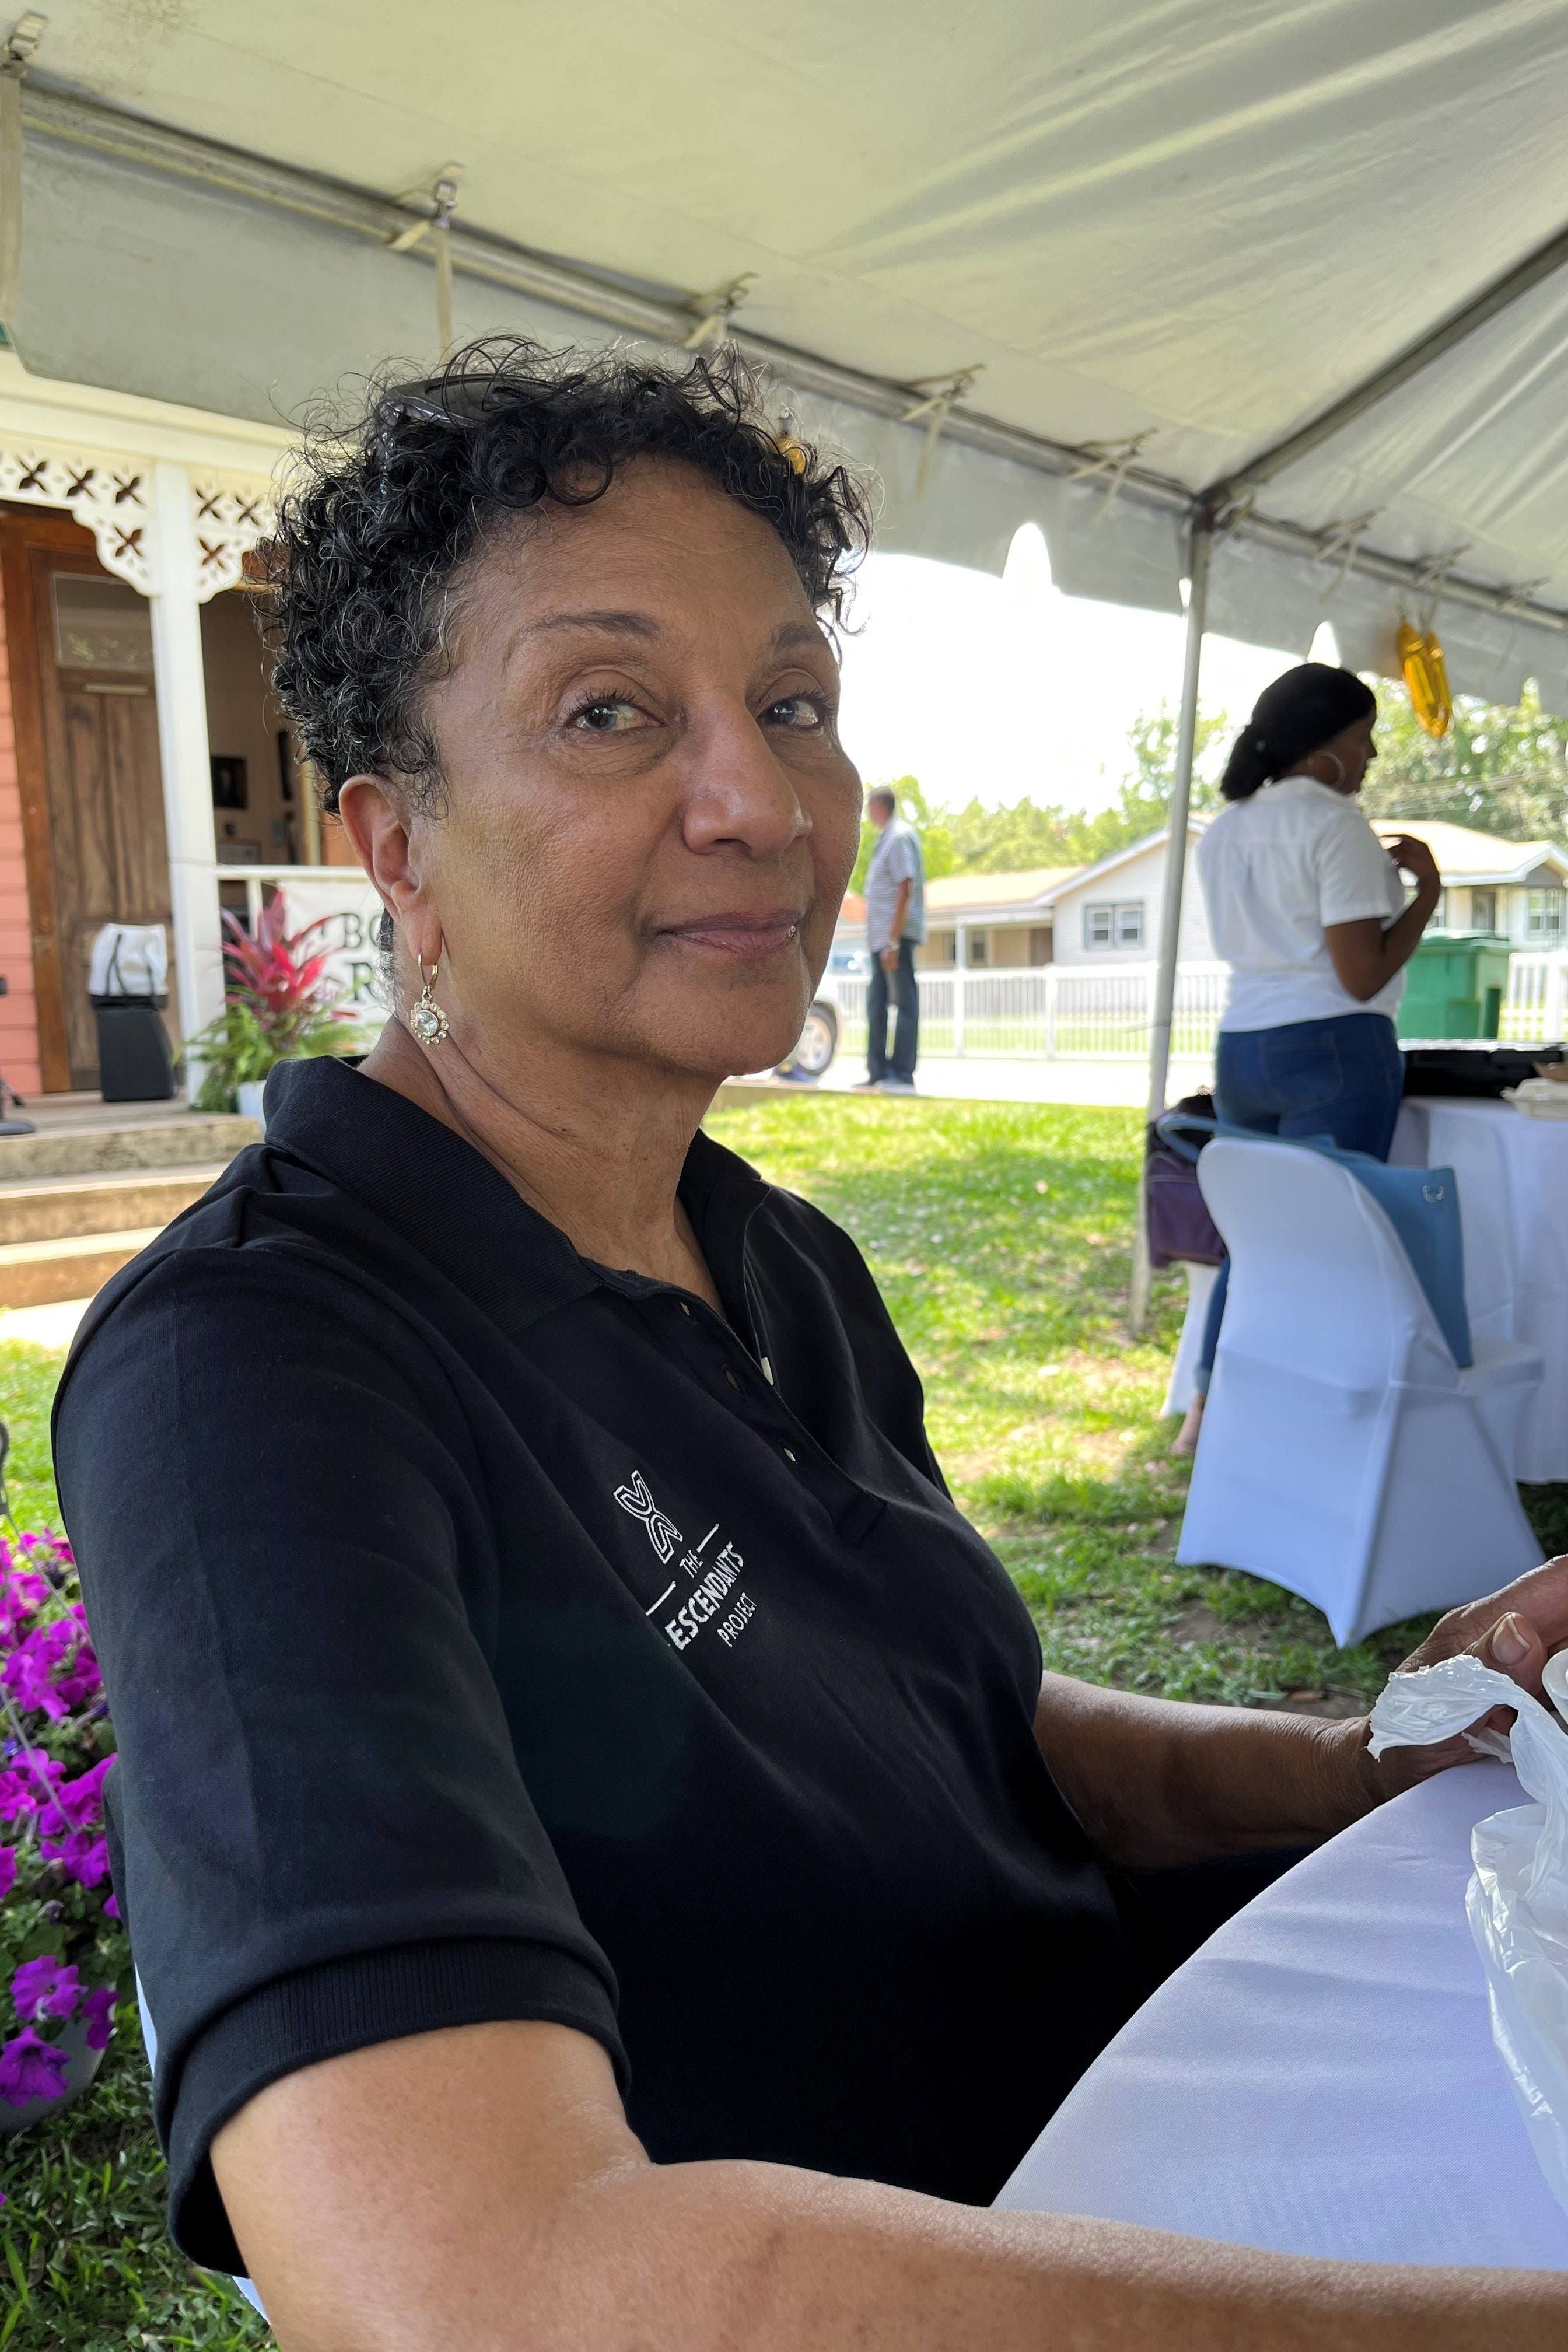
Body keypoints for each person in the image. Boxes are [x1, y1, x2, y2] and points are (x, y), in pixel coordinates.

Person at [53, 345, 1566, 2351]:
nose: (760, 803)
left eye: (790, 706)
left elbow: (967, 1730)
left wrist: (1354, 1762)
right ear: (395, 843)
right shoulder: (253, 1373)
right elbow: (464, 2287)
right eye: (608, 711)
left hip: (1184, 2092)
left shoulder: (771, 1253)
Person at [1174, 663, 1441, 1454]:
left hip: (1243, 1047)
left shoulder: (1226, 830)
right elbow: (1361, 975)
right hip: (1334, 1046)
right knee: (1332, 1240)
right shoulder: (1335, 825)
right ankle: (1313, 1420)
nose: (1371, 757)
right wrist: (1427, 893)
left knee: (1256, 1235)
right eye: (1364, 738)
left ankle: (1207, 1409)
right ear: (1325, 745)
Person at [858, 784, 925, 1090]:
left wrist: (893, 942)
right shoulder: (885, 838)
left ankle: (902, 1072)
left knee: (904, 1004)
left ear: (878, 807)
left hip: (894, 940)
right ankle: (879, 1072)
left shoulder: (898, 837)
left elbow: (905, 888)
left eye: (869, 807)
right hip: (881, 940)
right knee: (877, 1004)